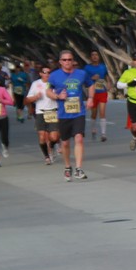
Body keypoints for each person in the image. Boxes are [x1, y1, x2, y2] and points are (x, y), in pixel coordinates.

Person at [47, 49, 95, 180]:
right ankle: (68, 166)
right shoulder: (54, 75)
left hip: (79, 112)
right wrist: (58, 96)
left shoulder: (81, 73)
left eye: (69, 59)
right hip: (63, 114)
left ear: (73, 61)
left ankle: (78, 169)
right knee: (65, 143)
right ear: (60, 62)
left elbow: (91, 85)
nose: (67, 62)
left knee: (79, 138)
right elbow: (48, 91)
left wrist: (90, 98)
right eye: (64, 60)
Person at [26, 65, 59, 165]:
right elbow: (28, 99)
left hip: (53, 111)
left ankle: (51, 146)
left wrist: (56, 96)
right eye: (45, 72)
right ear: (40, 73)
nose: (47, 74)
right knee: (42, 136)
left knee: (54, 137)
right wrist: (36, 97)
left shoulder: (55, 82)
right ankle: (46, 156)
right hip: (40, 112)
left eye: (49, 72)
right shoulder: (35, 84)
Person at [83, 50, 108, 141]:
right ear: (90, 57)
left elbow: (106, 76)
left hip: (102, 91)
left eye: (96, 55)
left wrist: (109, 84)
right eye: (93, 55)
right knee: (94, 113)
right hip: (92, 93)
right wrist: (92, 78)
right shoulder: (87, 68)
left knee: (102, 112)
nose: (95, 56)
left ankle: (103, 134)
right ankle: (93, 129)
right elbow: (84, 80)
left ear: (99, 56)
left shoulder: (103, 66)